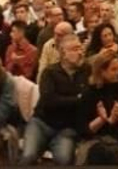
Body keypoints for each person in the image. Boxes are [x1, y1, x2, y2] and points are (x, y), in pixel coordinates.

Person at [24, 36, 89, 165]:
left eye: (81, 49)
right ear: (64, 54)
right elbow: (50, 101)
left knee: (64, 159)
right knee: (28, 156)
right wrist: (77, 99)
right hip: (42, 124)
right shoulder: (49, 72)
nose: (80, 53)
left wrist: (74, 100)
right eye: (75, 49)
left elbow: (87, 100)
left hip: (67, 128)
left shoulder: (87, 71)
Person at [77, 50, 118, 164]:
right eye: (113, 70)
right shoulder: (89, 93)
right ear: (101, 71)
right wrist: (101, 120)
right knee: (98, 152)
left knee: (112, 152)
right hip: (93, 139)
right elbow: (82, 130)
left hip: (116, 138)